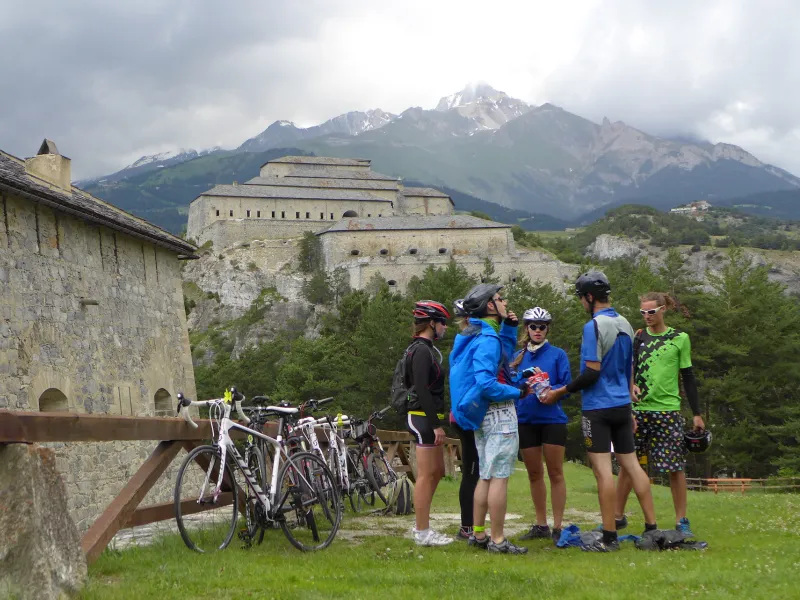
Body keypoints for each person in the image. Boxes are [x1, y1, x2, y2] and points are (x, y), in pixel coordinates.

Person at [541, 271, 658, 552]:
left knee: (604, 472)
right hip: (621, 405)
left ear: (590, 297)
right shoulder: (626, 323)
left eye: (582, 297)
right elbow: (630, 369)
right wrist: (629, 407)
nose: (581, 302)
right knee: (631, 465)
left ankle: (609, 536)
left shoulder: (593, 326)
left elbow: (591, 373)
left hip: (598, 408)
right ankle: (652, 529)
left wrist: (560, 392)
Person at [614, 292, 705, 537]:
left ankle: (681, 520)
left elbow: (688, 376)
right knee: (628, 465)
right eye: (642, 312)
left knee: (675, 467)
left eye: (651, 312)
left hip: (667, 410)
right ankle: (617, 517)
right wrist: (629, 388)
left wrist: (697, 413)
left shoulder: (679, 338)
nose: (646, 317)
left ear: (663, 309)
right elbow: (628, 368)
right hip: (638, 410)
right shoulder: (638, 337)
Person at [450, 283, 531, 554]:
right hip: (498, 413)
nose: (504, 301)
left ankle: (480, 534)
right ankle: (498, 539)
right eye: (499, 299)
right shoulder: (486, 339)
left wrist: (508, 328)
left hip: (481, 415)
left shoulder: (475, 334)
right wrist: (518, 391)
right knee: (499, 478)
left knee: (485, 475)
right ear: (489, 306)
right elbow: (487, 382)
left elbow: (501, 360)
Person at [510, 307, 572, 545]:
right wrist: (524, 386)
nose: (537, 331)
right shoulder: (518, 355)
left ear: (548, 329)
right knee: (534, 474)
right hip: (526, 420)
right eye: (533, 327)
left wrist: (550, 389)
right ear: (527, 328)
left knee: (556, 472)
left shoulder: (558, 355)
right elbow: (511, 385)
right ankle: (540, 524)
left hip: (552, 420)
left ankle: (558, 526)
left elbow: (566, 386)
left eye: (542, 326)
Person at [406, 300, 453, 546]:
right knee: (425, 475)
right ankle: (421, 532)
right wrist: (435, 424)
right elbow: (422, 390)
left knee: (437, 472)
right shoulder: (421, 351)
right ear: (431, 323)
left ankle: (423, 524)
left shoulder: (425, 348)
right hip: (422, 418)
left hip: (428, 418)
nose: (445, 327)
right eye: (442, 322)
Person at [449, 298, 480, 541]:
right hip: (467, 415)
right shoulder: (471, 342)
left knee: (475, 471)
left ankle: (470, 525)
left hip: (461, 414)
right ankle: (467, 526)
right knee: (472, 472)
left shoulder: (461, 342)